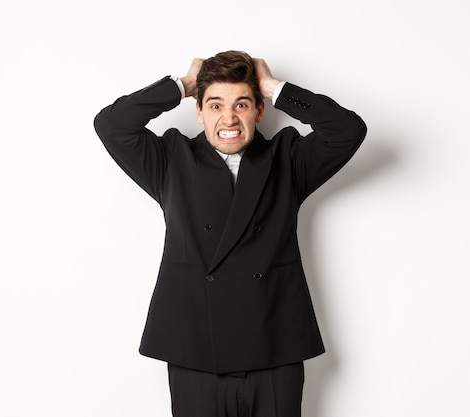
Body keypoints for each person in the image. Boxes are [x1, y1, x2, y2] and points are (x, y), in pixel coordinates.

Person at [94, 51, 367, 417]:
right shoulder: (170, 158)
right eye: (215, 104)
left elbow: (348, 131)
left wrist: (274, 87)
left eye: (241, 103)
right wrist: (181, 86)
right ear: (199, 110)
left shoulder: (288, 158)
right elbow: (111, 125)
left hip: (274, 348)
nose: (228, 118)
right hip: (196, 351)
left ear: (259, 110)